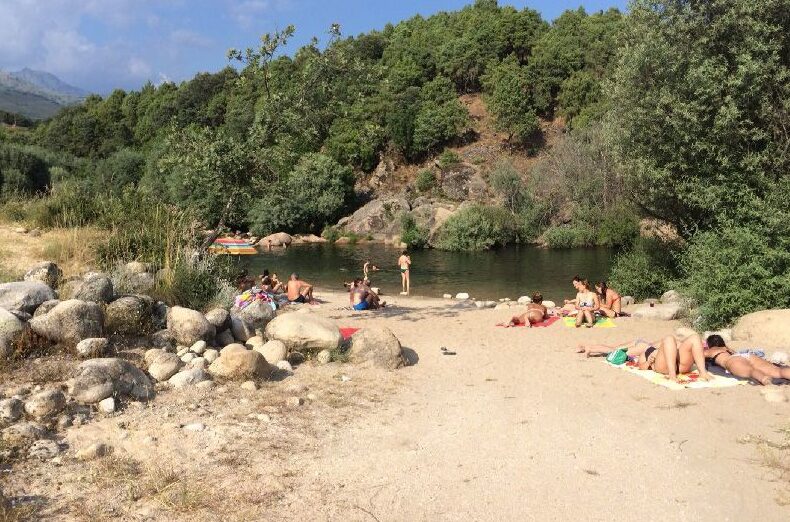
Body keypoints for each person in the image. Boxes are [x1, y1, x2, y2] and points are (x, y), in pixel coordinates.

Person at [577, 332, 714, 383]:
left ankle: (703, 373)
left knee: (695, 337)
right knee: (668, 338)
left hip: (681, 363)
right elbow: (641, 367)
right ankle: (672, 375)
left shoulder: (645, 346)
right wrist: (649, 361)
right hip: (665, 366)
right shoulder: (646, 351)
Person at [704, 335, 790, 385]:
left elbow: (698, 355)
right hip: (746, 355)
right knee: (778, 371)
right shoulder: (726, 348)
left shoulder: (711, 350)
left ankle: (766, 381)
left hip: (732, 360)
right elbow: (737, 354)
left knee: (751, 371)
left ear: (709, 344)